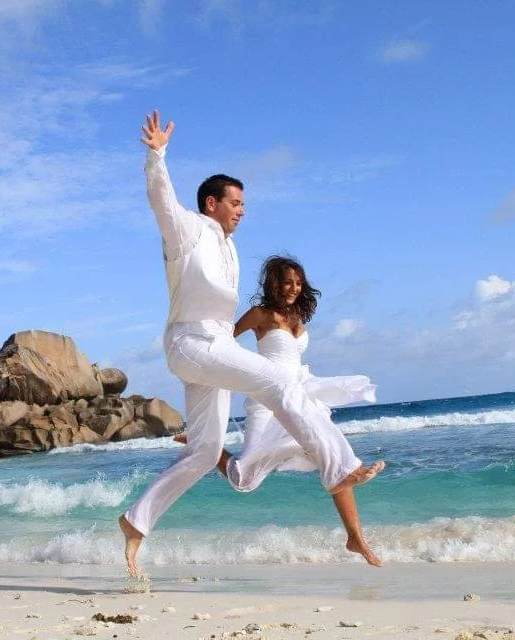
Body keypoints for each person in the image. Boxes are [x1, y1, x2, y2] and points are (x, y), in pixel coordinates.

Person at [118, 110, 384, 576]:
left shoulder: (230, 245)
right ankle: (339, 466)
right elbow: (161, 201)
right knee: (279, 384)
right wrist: (157, 155)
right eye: (235, 202)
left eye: (243, 204)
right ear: (211, 202)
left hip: (212, 351)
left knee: (204, 452)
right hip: (192, 343)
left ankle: (135, 522)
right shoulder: (187, 231)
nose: (242, 209)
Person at [177, 255, 383, 566]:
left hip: (297, 394)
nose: (294, 288)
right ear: (275, 283)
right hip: (265, 400)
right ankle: (207, 445)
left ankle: (355, 536)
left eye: (299, 283)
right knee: (244, 479)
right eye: (288, 282)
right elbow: (222, 344)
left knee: (326, 450)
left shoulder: (298, 316)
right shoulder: (260, 314)